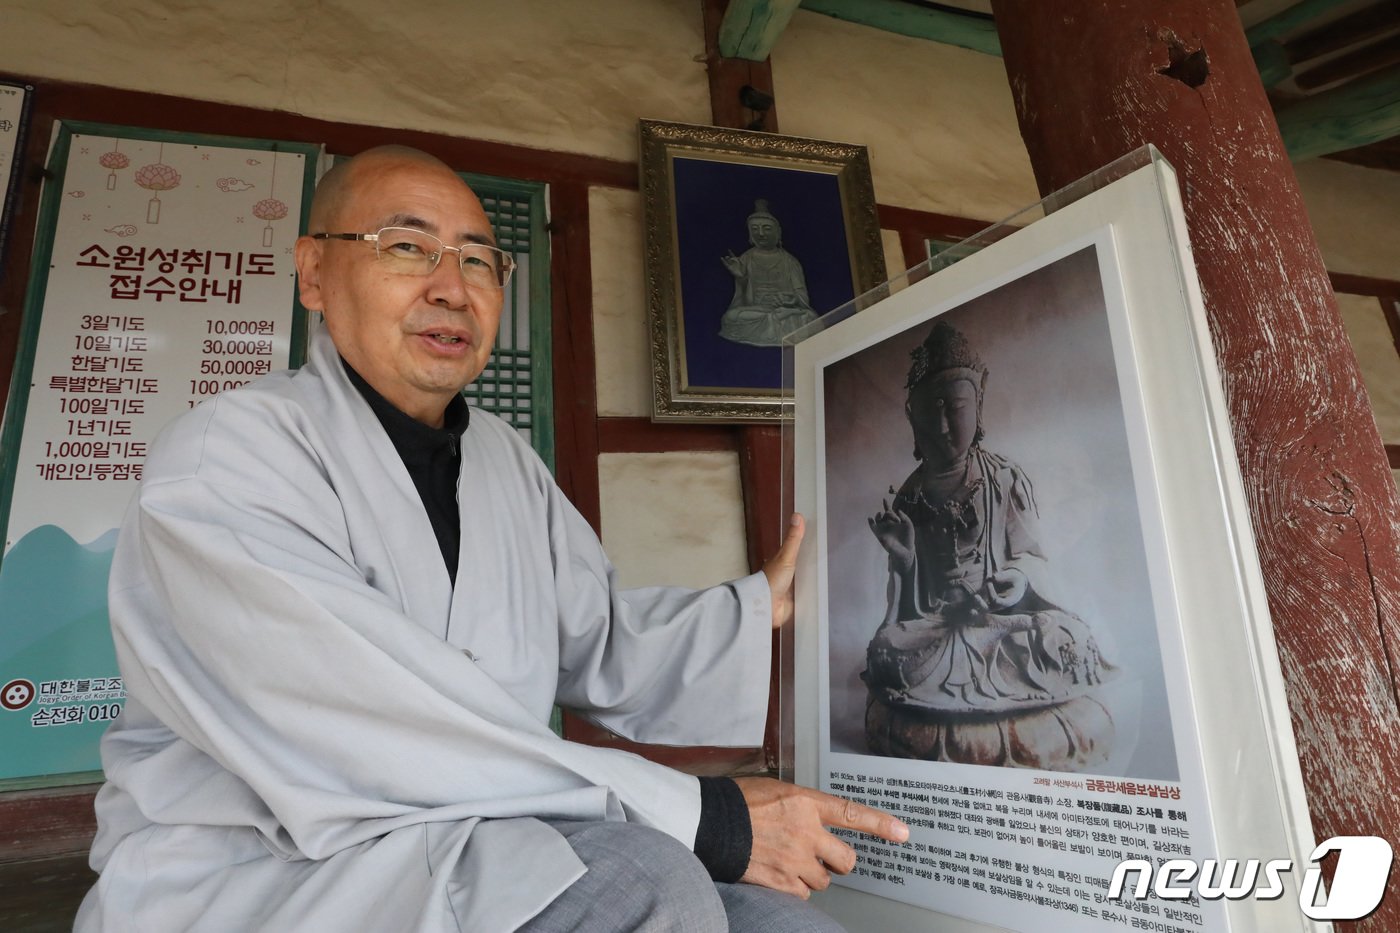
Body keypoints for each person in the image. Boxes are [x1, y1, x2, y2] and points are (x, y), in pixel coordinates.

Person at [75, 146, 907, 932]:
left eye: (478, 260)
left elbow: (599, 636)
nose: (450, 287)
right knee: (644, 881)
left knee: (788, 921)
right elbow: (372, 717)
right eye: (407, 247)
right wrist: (712, 815)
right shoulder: (230, 458)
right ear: (314, 273)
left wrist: (754, 608)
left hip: (470, 835)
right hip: (268, 869)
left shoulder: (503, 461)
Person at [864, 320, 1117, 770]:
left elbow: (1033, 557)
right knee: (888, 647)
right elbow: (908, 608)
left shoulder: (1003, 480)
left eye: (955, 408)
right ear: (913, 418)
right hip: (939, 630)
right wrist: (904, 562)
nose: (943, 426)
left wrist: (1017, 582)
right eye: (930, 413)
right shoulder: (910, 495)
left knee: (1058, 636)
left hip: (1000, 624)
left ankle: (964, 718)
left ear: (978, 405)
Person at [719, 199, 818, 347]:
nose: (761, 234)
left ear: (778, 232)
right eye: (755, 229)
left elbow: (802, 296)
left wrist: (789, 301)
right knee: (730, 317)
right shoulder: (746, 258)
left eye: (766, 228)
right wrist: (741, 277)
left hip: (785, 309)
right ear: (750, 233)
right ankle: (775, 321)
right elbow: (742, 298)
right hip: (757, 309)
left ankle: (777, 319)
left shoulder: (789, 261)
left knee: (811, 317)